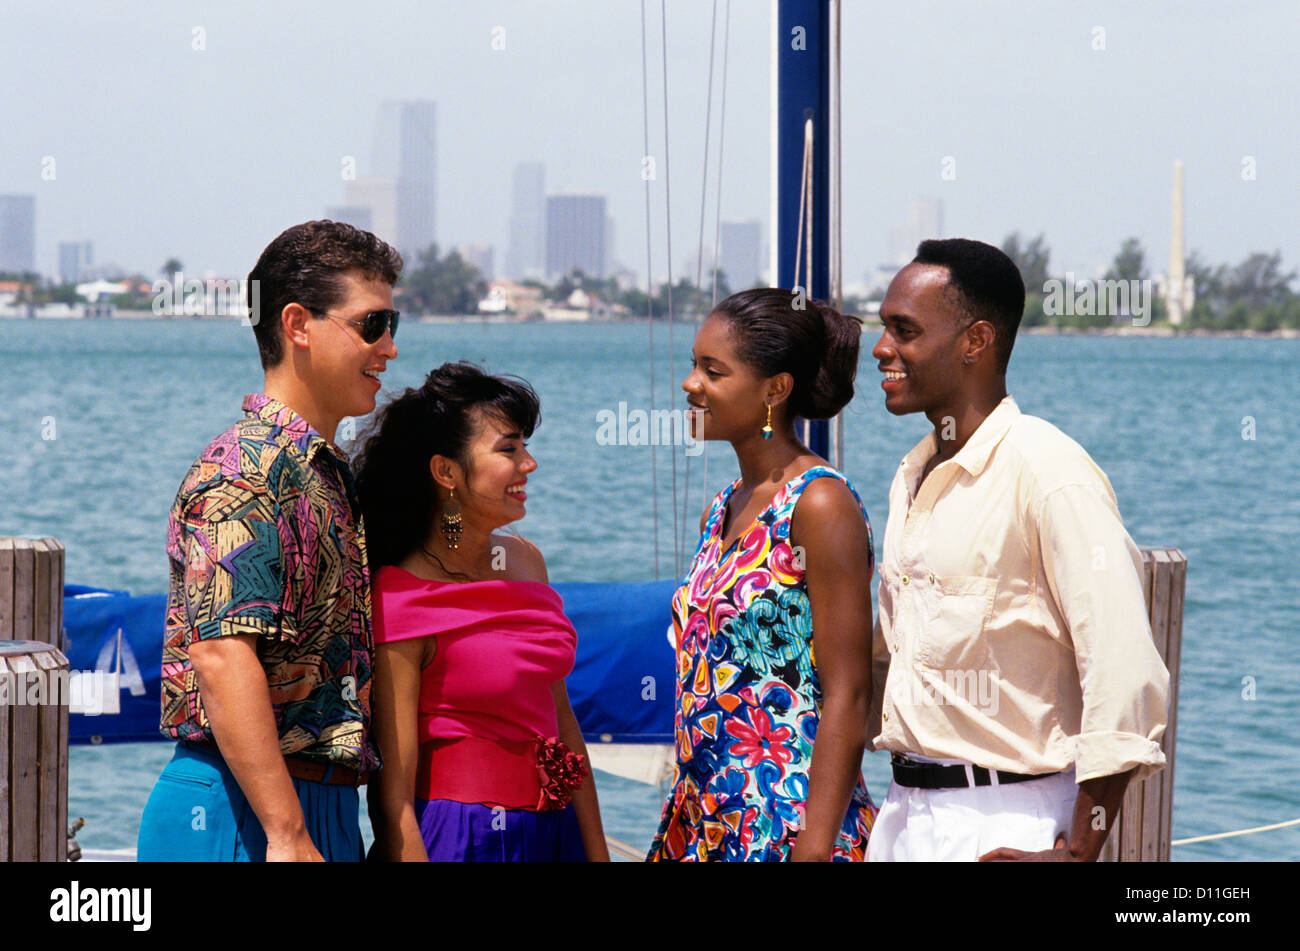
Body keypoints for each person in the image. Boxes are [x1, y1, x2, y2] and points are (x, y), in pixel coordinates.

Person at [865, 238, 1170, 862]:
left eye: (905, 330)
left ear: (975, 341)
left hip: (1007, 823)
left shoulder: (1048, 471)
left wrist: (1079, 853)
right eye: (883, 327)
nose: (881, 348)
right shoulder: (914, 475)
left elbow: (1125, 668)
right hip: (902, 814)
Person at [137, 220, 402, 861]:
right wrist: (286, 832)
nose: (389, 348)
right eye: (372, 325)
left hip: (317, 809)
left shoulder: (327, 473)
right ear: (298, 325)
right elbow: (222, 657)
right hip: (242, 810)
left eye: (394, 326)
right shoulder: (244, 469)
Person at [646, 288, 877, 862]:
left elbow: (848, 693)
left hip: (787, 822)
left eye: (713, 371)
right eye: (693, 364)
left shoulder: (819, 505)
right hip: (702, 822)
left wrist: (813, 849)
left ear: (775, 389)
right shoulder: (719, 510)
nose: (690, 384)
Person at [357, 361, 609, 862]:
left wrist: (597, 854)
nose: (529, 464)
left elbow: (563, 725)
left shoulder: (526, 560)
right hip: (460, 837)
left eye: (526, 446)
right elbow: (393, 800)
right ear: (446, 471)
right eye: (508, 449)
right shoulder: (400, 593)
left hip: (555, 834)